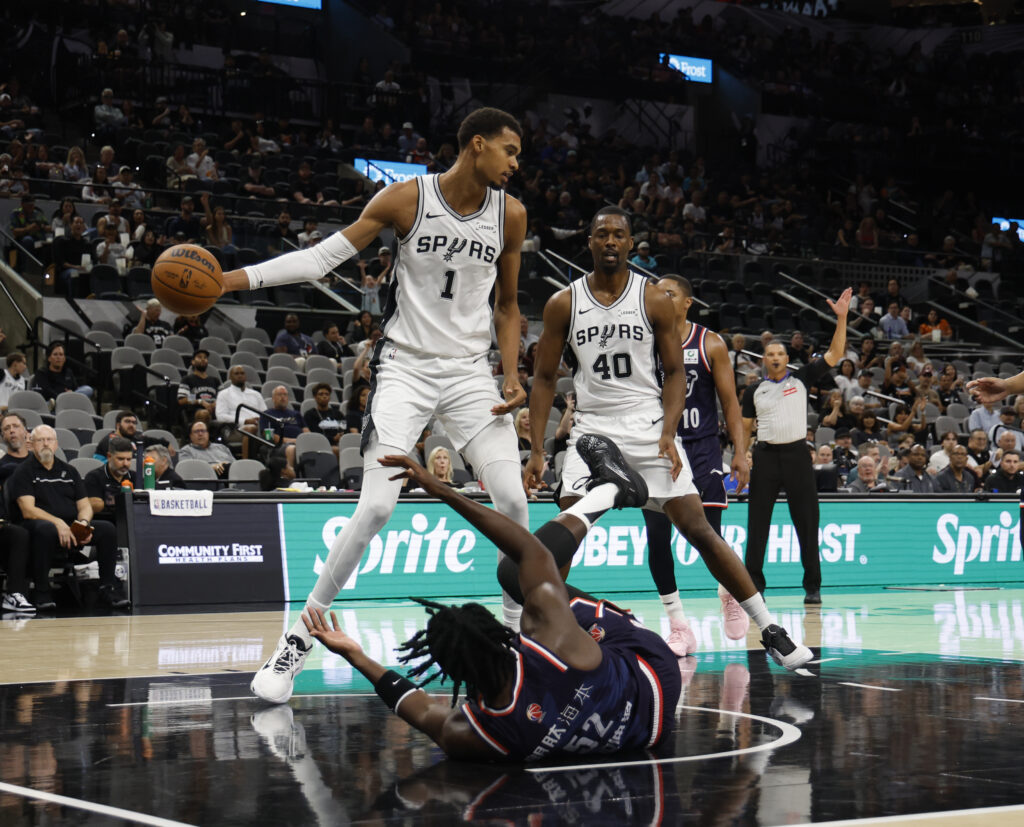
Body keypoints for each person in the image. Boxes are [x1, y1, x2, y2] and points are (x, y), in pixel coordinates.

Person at [218, 107, 531, 704]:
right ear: (476, 145)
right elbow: (319, 259)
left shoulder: (510, 215)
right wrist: (230, 282)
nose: (517, 164)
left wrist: (511, 374)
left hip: (469, 374)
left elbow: (509, 306)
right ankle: (299, 639)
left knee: (515, 500)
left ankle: (515, 644)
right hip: (406, 369)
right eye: (510, 151)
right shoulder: (405, 200)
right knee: (376, 509)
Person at [524, 207, 811, 669]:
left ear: (630, 241)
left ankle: (769, 627)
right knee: (565, 534)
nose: (611, 241)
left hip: (646, 426)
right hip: (592, 431)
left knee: (699, 530)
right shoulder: (564, 302)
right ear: (591, 242)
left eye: (619, 234)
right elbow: (542, 379)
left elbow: (675, 373)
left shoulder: (653, 298)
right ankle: (542, 634)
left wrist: (668, 431)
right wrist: (538, 450)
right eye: (602, 234)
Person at [302, 444, 688, 761]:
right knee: (512, 575)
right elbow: (529, 550)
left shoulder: (474, 732)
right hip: (652, 673)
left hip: (649, 731)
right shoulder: (549, 635)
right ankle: (612, 492)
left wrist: (356, 656)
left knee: (528, 582)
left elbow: (417, 709)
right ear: (492, 632)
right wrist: (446, 492)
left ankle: (613, 490)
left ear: (449, 670)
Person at [641, 275, 752, 656]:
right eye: (657, 292)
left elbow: (731, 405)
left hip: (701, 449)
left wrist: (739, 451)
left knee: (708, 537)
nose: (660, 297)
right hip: (657, 450)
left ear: (688, 303)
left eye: (669, 293)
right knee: (657, 537)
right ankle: (678, 625)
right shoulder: (643, 340)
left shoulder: (710, 343)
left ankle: (728, 593)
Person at [739, 287, 853, 604]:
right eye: (770, 354)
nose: (775, 357)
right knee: (757, 523)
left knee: (807, 521)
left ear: (787, 359)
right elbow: (744, 430)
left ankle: (812, 586)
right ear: (764, 360)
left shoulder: (801, 378)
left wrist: (841, 318)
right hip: (765, 457)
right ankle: (754, 586)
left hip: (796, 455)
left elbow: (835, 354)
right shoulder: (753, 391)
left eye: (780, 353)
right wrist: (742, 455)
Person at [8, 426, 129, 609]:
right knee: (45, 530)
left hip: (70, 526)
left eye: (50, 440)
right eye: (40, 440)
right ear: (31, 445)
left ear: (56, 444)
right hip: (36, 526)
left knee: (107, 529)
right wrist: (58, 523)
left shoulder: (69, 471)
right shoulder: (24, 471)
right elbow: (28, 510)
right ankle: (42, 591)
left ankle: (107, 586)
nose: (46, 444)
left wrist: (83, 524)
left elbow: (85, 505)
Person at [216, 365, 265, 457]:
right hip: (234, 429)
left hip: (259, 427)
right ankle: (246, 463)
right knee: (250, 428)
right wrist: (245, 421)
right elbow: (221, 416)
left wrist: (260, 420)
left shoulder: (256, 394)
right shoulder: (224, 394)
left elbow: (265, 413)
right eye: (236, 373)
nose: (240, 376)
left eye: (242, 373)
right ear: (230, 377)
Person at [83, 437, 135, 523]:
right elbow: (94, 507)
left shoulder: (134, 477)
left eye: (128, 459)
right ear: (109, 456)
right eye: (120, 459)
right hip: (105, 524)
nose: (125, 464)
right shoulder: (94, 477)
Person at [259, 385, 308, 472]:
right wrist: (293, 441)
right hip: (279, 446)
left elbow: (306, 431)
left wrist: (304, 440)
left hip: (300, 443)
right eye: (279, 394)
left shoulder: (296, 414)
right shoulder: (266, 414)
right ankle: (290, 477)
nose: (283, 397)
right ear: (273, 398)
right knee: (291, 449)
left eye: (285, 395)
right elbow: (269, 436)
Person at [177, 350, 218, 423]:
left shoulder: (215, 380)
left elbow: (223, 397)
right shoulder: (187, 379)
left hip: (215, 410)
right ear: (193, 362)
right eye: (199, 357)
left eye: (205, 358)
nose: (203, 359)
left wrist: (215, 403)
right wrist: (200, 401)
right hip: (196, 411)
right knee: (204, 414)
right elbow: (182, 400)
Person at [303, 383, 345, 452]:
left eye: (327, 394)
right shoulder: (310, 414)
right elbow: (314, 434)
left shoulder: (338, 414)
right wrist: (333, 439)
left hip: (340, 444)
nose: (324, 396)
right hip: (319, 445)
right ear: (315, 397)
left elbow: (344, 430)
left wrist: (340, 436)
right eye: (321, 394)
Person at [0, 412, 30, 485]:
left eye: (16, 426)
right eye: (6, 428)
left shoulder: (39, 460)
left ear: (26, 431)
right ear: (3, 436)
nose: (11, 431)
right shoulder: (2, 467)